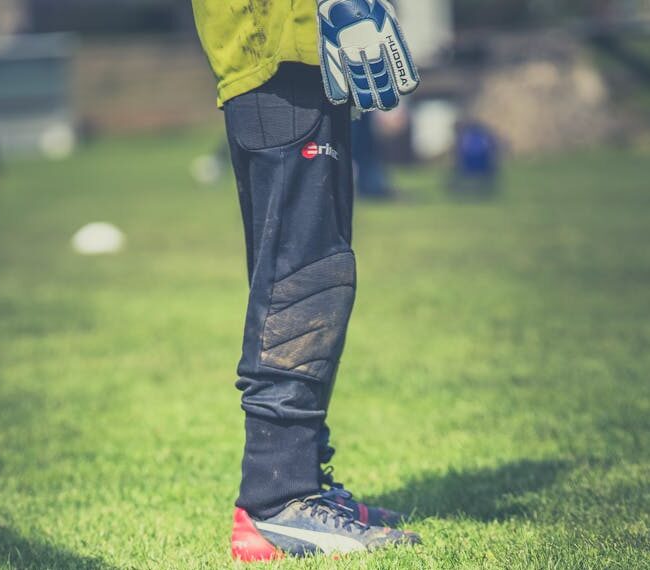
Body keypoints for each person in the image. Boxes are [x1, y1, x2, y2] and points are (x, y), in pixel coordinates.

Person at [192, 0, 420, 561]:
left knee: (320, 269)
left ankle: (303, 481)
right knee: (304, 279)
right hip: (277, 55)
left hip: (298, 56)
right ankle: (277, 499)